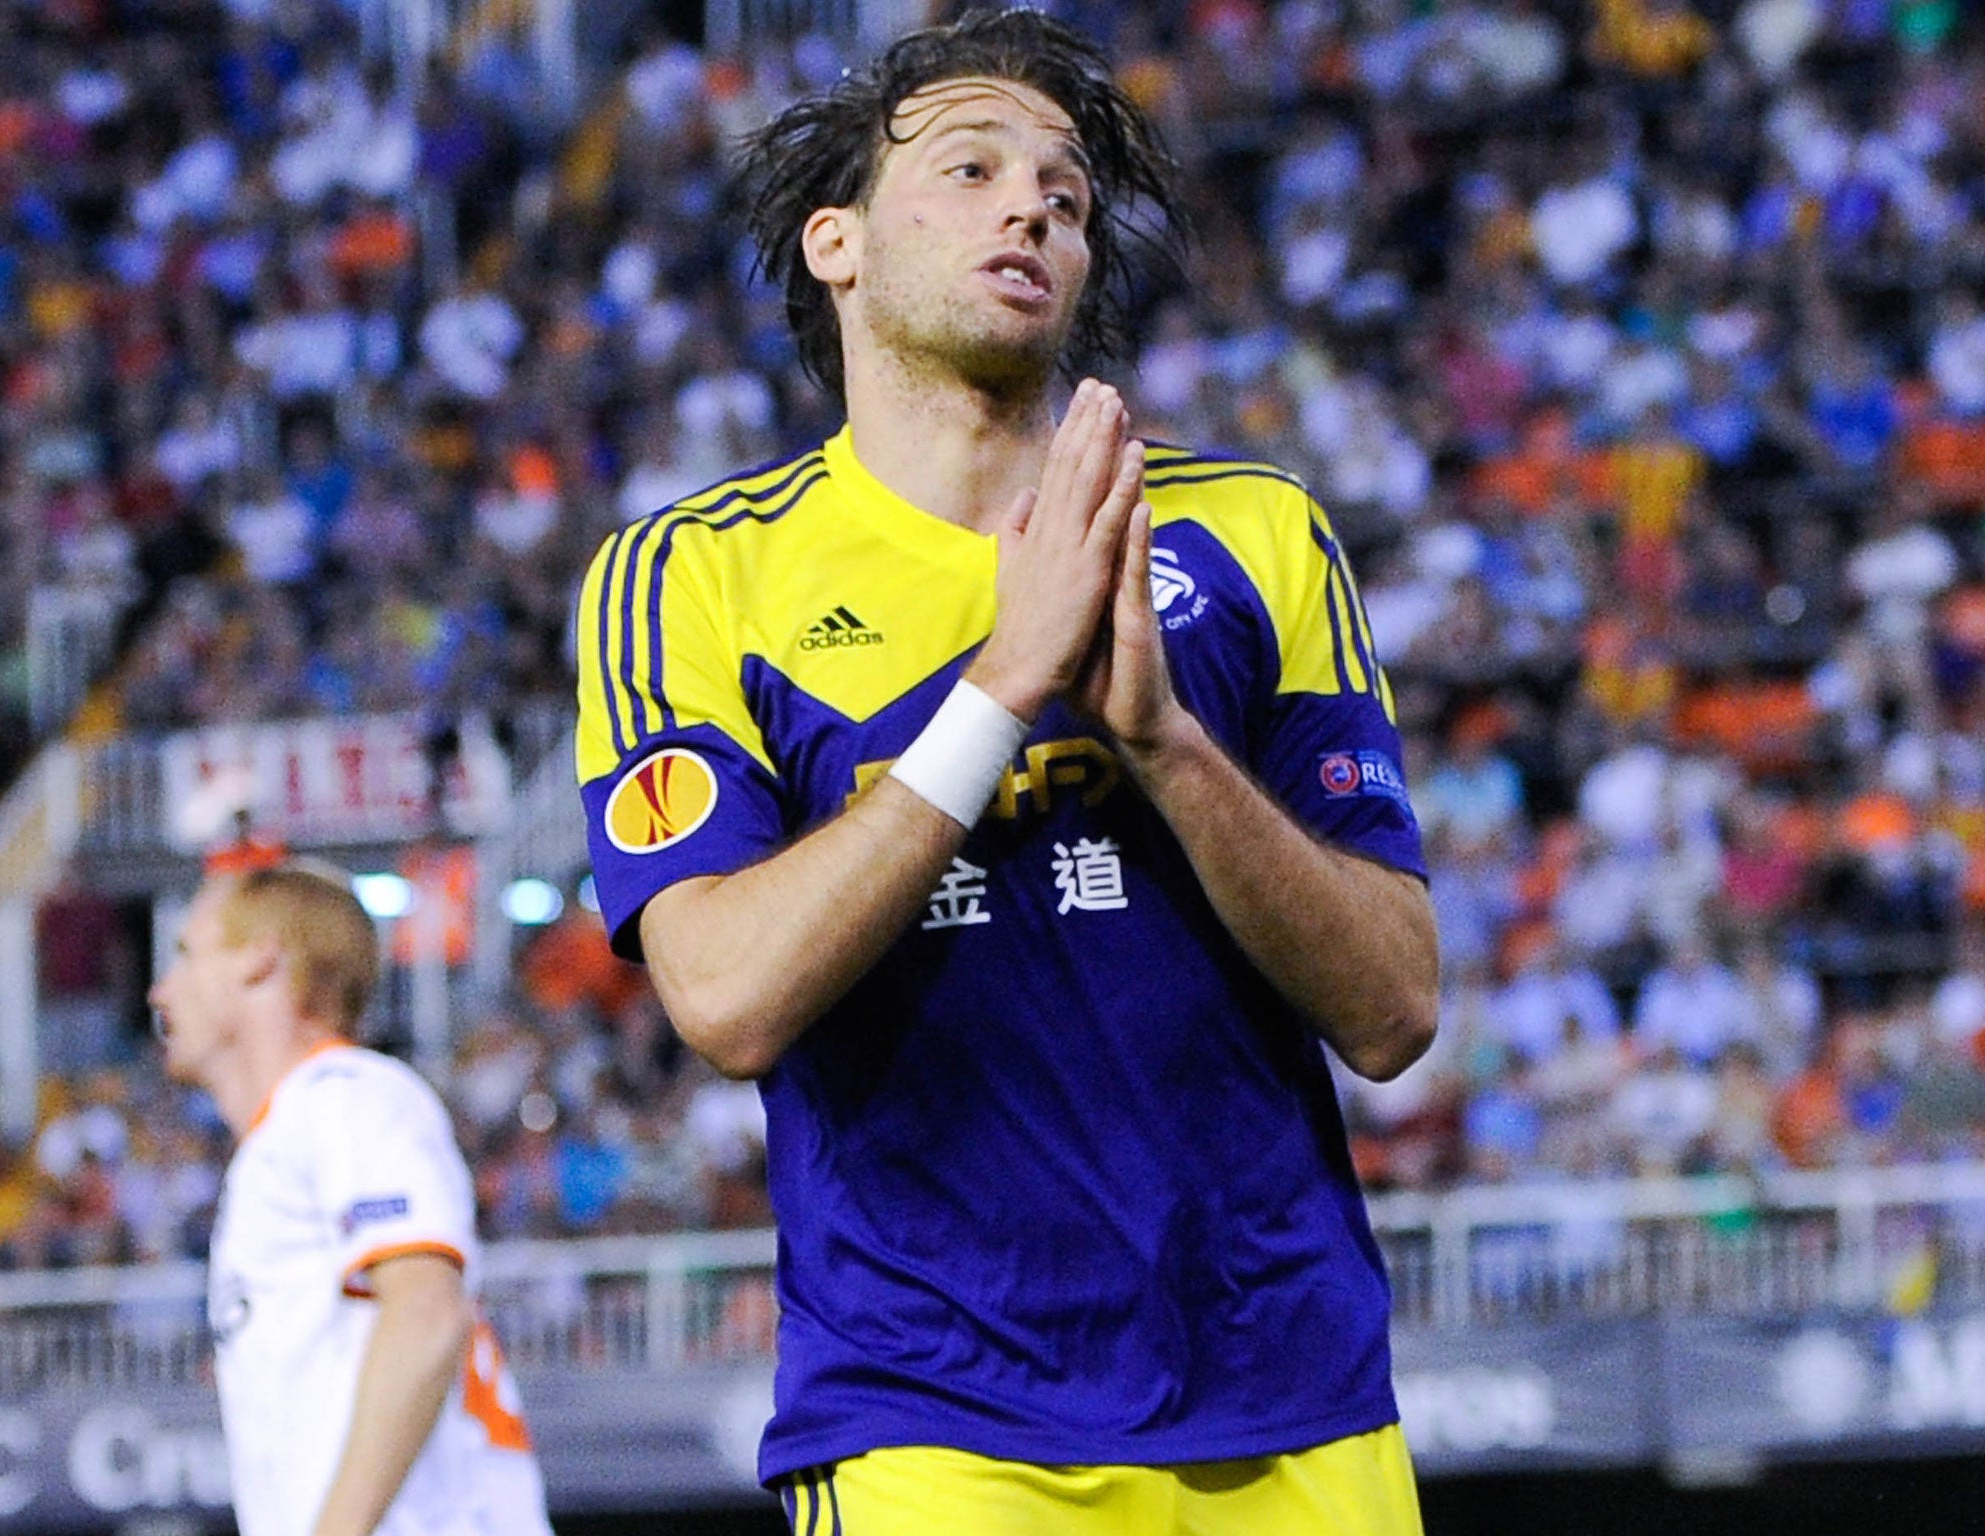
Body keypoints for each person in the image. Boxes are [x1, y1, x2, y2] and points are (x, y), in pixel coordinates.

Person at [573, 10, 1438, 1533]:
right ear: (837, 245)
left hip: (1298, 1402)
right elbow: (725, 996)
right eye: (969, 169)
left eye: (1064, 192)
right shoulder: (695, 573)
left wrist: (1163, 742)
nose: (1030, 203)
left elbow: (1391, 1009)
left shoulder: (1252, 532)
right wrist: (1002, 691)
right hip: (941, 1424)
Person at [149, 863, 551, 1536]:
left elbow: (426, 1313)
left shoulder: (344, 1095)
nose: (161, 989)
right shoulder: (290, 1132)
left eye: (187, 954)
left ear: (260, 961)